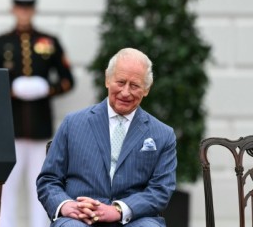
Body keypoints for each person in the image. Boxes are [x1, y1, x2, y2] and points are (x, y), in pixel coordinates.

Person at [37, 48, 177, 227]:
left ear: (146, 89)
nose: (125, 92)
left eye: (134, 85)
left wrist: (118, 210)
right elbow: (49, 180)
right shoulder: (73, 124)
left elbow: (160, 190)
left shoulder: (163, 134)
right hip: (79, 218)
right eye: (120, 82)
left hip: (135, 219)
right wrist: (66, 206)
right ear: (107, 80)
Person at [0, 0, 75, 227]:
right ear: (13, 10)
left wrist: (46, 88)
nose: (24, 13)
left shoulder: (49, 41)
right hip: (10, 129)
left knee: (41, 189)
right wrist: (11, 91)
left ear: (33, 10)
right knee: (7, 189)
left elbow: (68, 80)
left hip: (40, 128)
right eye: (20, 8)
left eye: (28, 9)